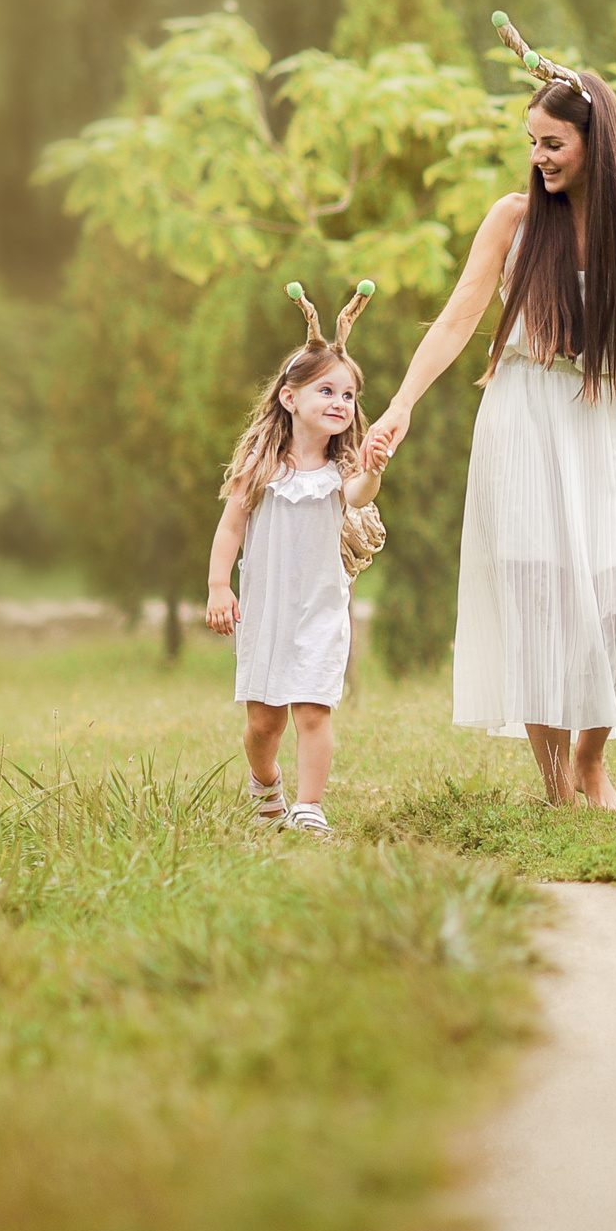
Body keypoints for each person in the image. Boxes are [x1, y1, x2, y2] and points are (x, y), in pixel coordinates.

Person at [365, 20, 616, 812]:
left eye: (554, 142)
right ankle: (559, 784)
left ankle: (593, 759)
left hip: (607, 417)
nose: (539, 157)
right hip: (525, 413)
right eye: (532, 142)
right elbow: (458, 318)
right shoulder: (514, 220)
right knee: (535, 594)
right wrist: (401, 404)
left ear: (598, 142)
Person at [205, 282, 390, 836]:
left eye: (348, 395)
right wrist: (218, 586)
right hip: (266, 611)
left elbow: (360, 495)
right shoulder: (261, 466)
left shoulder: (343, 469)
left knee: (313, 710)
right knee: (264, 723)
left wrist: (373, 468)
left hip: (321, 609)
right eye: (326, 391)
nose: (340, 403)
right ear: (290, 399)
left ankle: (309, 806)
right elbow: (230, 527)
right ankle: (265, 783)